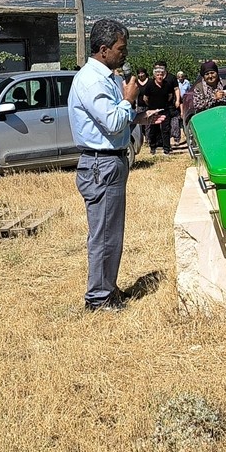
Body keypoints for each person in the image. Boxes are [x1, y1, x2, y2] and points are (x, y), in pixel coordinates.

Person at [67, 19, 145, 312]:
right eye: (120, 49)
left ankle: (107, 288)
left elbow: (112, 119)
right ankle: (98, 298)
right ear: (103, 50)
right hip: (101, 165)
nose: (124, 53)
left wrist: (138, 118)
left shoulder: (107, 76)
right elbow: (112, 121)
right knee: (103, 234)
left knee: (112, 232)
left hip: (111, 163)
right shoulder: (92, 80)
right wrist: (128, 100)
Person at [141, 62, 180, 155]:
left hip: (164, 109)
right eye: (158, 75)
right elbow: (145, 98)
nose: (160, 76)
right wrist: (151, 106)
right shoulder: (150, 84)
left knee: (166, 129)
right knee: (153, 129)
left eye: (161, 75)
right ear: (154, 76)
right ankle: (153, 147)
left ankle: (166, 148)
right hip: (153, 110)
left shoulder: (167, 84)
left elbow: (170, 95)